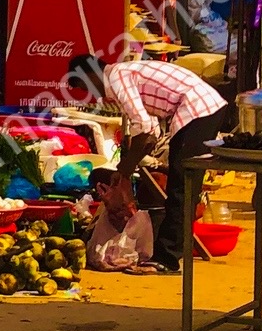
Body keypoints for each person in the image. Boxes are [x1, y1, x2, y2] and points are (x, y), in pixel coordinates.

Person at [66, 53, 232, 275]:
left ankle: (167, 258)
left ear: (90, 75)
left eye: (85, 87)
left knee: (181, 185)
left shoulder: (117, 78)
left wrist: (125, 167)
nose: (92, 95)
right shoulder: (124, 74)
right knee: (185, 184)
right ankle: (171, 252)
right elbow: (150, 130)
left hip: (197, 109)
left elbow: (144, 128)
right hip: (204, 107)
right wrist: (128, 165)